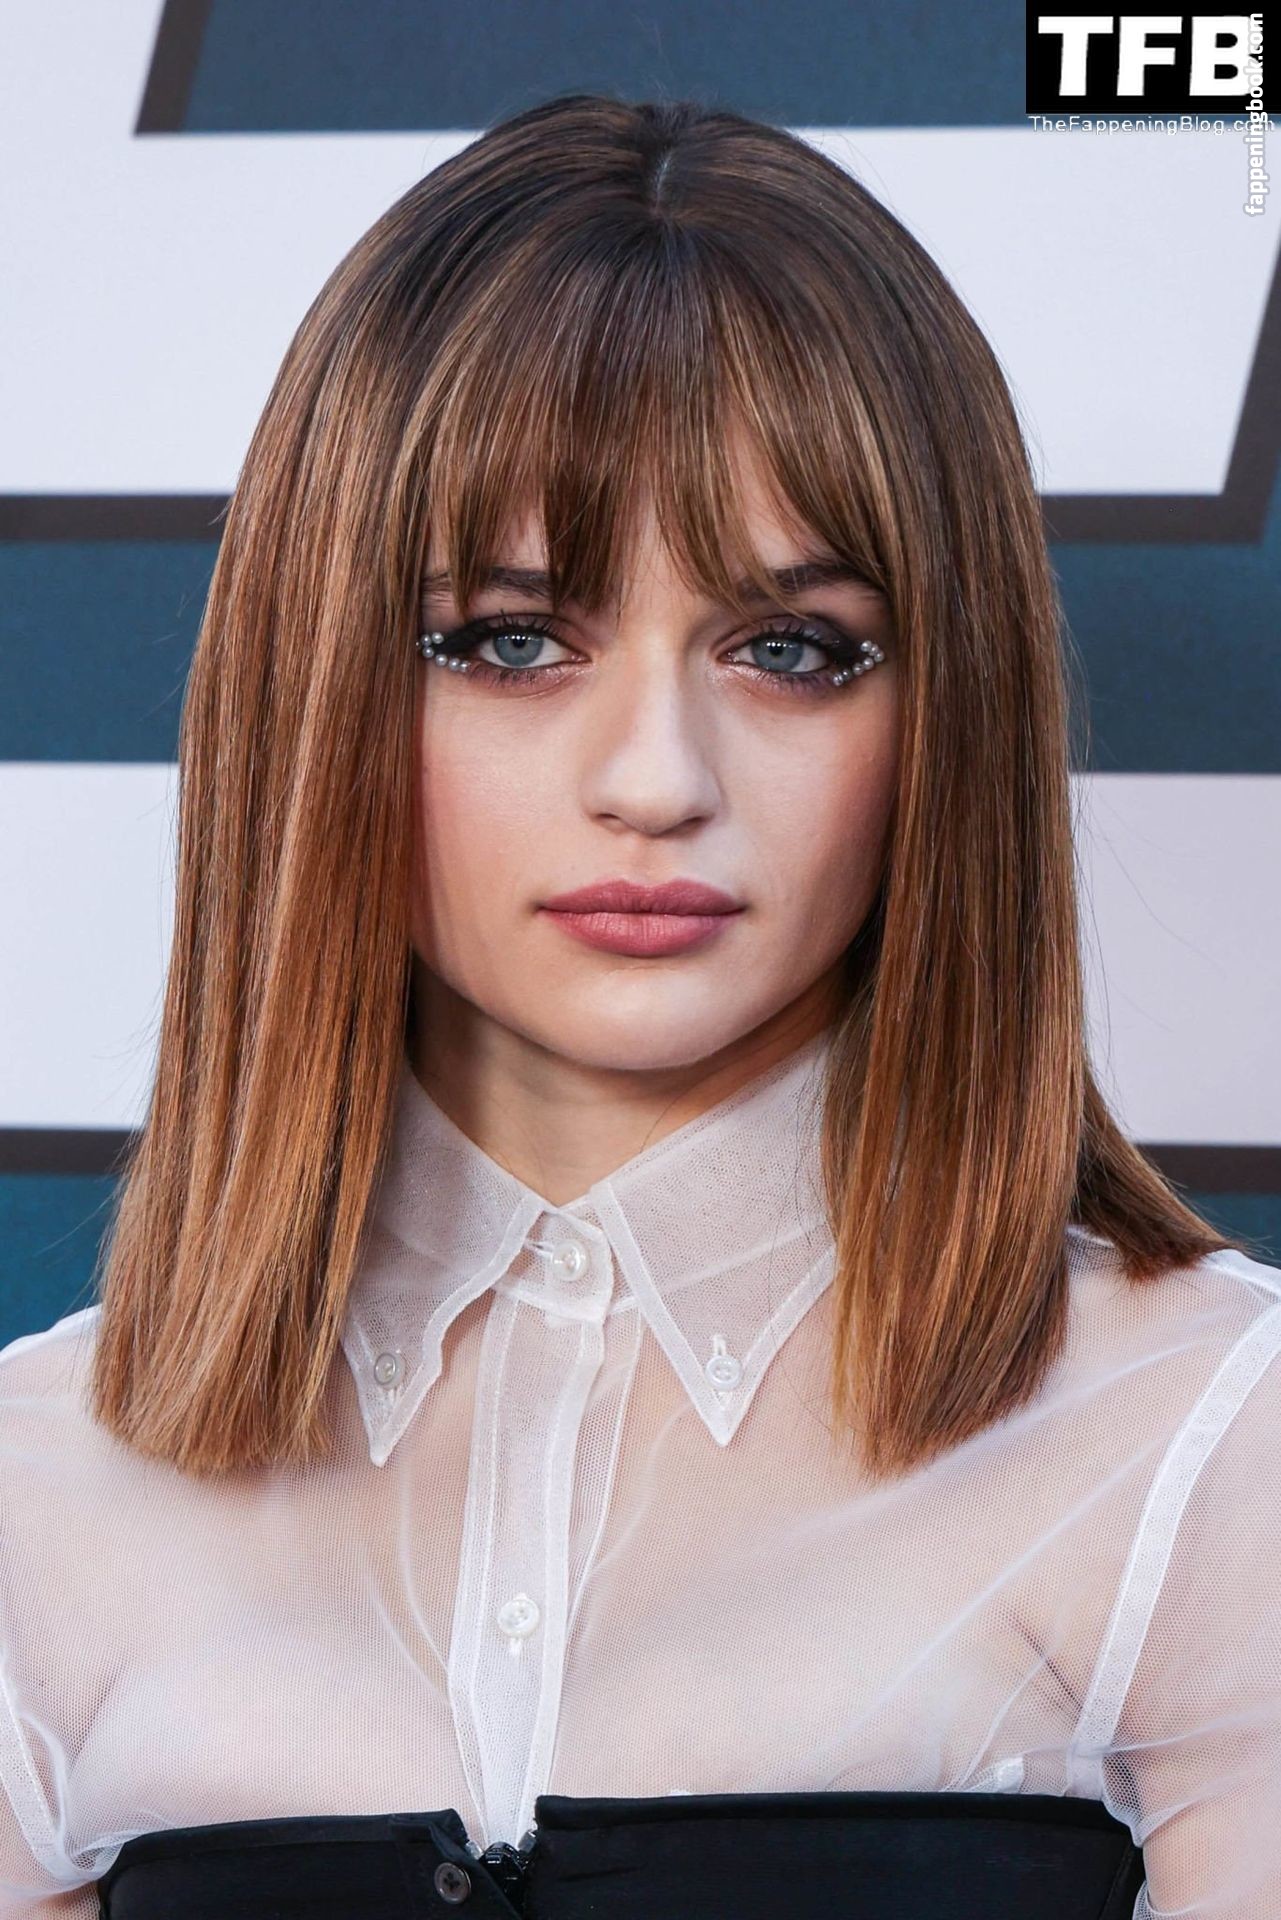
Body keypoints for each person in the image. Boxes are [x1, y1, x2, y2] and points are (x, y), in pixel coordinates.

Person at [0, 91, 1276, 1920]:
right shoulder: (40, 1493)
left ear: (947, 711)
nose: (655, 779)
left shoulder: (1208, 1440)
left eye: (792, 650)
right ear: (318, 682)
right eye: (510, 641)